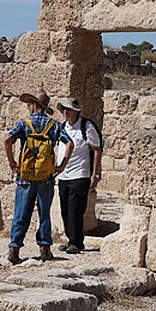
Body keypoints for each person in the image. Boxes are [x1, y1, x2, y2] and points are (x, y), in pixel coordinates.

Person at [4, 90, 73, 264]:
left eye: (30, 104)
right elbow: (69, 143)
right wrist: (62, 165)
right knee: (44, 214)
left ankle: (14, 248)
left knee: (21, 212)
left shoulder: (24, 123)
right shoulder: (54, 125)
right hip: (46, 177)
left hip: (25, 177)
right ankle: (44, 248)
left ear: (34, 105)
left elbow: (7, 139)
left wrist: (12, 161)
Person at [56, 98, 102, 255]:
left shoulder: (86, 126)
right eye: (63, 109)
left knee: (75, 209)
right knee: (65, 209)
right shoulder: (62, 127)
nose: (65, 112)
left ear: (76, 111)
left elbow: (96, 149)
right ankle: (71, 240)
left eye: (68, 109)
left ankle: (76, 241)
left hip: (80, 174)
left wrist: (95, 174)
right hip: (63, 176)